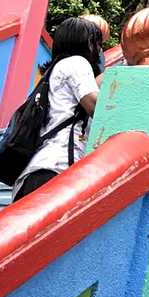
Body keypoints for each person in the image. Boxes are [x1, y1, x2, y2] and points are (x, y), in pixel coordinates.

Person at [14, 16, 104, 201]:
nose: (99, 49)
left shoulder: (54, 71)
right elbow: (94, 105)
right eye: (95, 42)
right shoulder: (77, 63)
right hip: (56, 169)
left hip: (35, 172)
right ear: (86, 42)